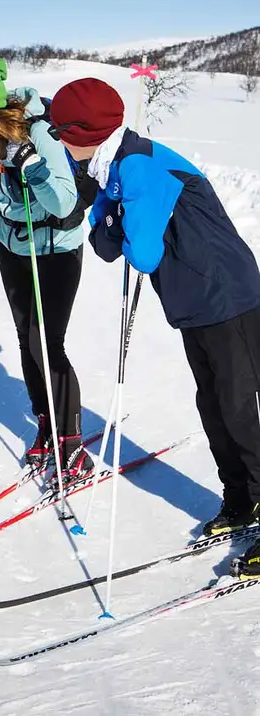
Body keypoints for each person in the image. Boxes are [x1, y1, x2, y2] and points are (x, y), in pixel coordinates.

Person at [48, 76, 260, 559]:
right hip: (192, 302)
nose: (58, 143)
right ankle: (242, 499)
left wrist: (114, 216)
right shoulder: (112, 168)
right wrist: (113, 215)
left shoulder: (138, 167)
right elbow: (103, 245)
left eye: (62, 133)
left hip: (227, 296)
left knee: (240, 411)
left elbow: (140, 253)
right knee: (215, 406)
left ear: (81, 134)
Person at [0, 58, 95, 476]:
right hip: (11, 245)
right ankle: (46, 427)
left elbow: (63, 202)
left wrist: (33, 166)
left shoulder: (38, 132)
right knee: (26, 339)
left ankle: (71, 443)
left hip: (55, 248)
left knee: (47, 342)